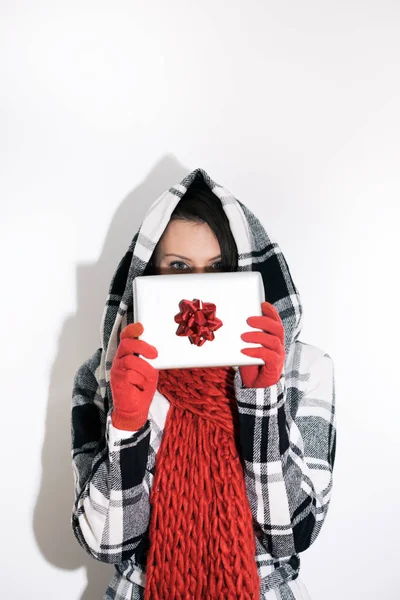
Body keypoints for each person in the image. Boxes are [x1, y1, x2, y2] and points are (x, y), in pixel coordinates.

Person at [71, 169, 336, 600]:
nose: (199, 287)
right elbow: (105, 543)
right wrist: (128, 421)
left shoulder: (303, 368)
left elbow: (293, 533)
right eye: (178, 267)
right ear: (149, 275)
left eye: (218, 268)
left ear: (243, 270)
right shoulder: (107, 375)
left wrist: (262, 401)